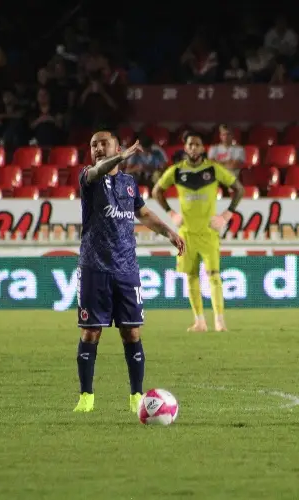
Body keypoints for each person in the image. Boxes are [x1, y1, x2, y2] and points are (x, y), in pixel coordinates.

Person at [73, 131, 186, 414]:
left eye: (103, 143)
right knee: (90, 333)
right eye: (93, 145)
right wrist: (120, 157)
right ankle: (86, 397)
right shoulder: (89, 177)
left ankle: (137, 397)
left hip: (126, 269)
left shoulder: (128, 184)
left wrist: (169, 233)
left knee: (132, 332)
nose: (97, 148)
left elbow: (144, 214)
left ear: (117, 146)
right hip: (94, 267)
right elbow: (99, 169)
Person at [152, 131, 245, 333]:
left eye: (197, 145)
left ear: (203, 148)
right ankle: (200, 322)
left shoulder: (213, 169)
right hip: (186, 233)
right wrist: (171, 213)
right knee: (191, 275)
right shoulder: (176, 171)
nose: (193, 148)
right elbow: (156, 191)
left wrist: (226, 215)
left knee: (214, 275)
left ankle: (220, 321)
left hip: (208, 232)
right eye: (190, 145)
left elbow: (239, 188)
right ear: (185, 148)